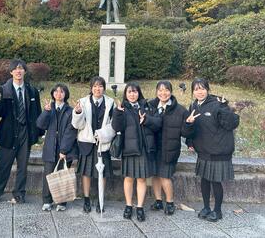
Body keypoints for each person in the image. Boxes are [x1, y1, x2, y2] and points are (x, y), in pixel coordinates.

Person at [0, 59, 43, 204]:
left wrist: (39, 132)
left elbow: (37, 112)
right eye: (15, 69)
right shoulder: (4, 90)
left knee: (22, 165)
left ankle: (19, 193)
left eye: (21, 68)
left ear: (24, 71)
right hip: (8, 132)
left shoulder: (32, 90)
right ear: (11, 72)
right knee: (3, 164)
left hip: (25, 132)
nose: (18, 71)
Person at [186, 78, 239, 222]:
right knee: (204, 180)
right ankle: (206, 207)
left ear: (207, 89)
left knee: (216, 181)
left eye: (202, 88)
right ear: (193, 92)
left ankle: (217, 210)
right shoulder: (193, 106)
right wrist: (189, 140)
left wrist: (224, 108)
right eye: (196, 89)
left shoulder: (217, 104)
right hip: (203, 150)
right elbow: (191, 128)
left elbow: (232, 123)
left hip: (218, 150)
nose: (199, 91)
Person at [111, 82, 161, 222]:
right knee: (128, 178)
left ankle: (139, 206)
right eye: (129, 92)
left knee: (142, 179)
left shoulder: (148, 106)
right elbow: (116, 127)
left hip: (144, 149)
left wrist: (146, 120)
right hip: (129, 148)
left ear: (139, 93)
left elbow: (158, 124)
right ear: (125, 95)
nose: (132, 94)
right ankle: (128, 205)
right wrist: (117, 113)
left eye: (135, 92)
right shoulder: (122, 108)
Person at [148, 80, 193, 215]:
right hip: (153, 147)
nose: (163, 93)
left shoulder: (180, 110)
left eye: (166, 90)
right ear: (156, 92)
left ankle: (170, 202)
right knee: (155, 175)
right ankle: (158, 201)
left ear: (171, 92)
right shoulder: (150, 106)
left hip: (170, 148)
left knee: (165, 176)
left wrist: (189, 124)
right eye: (160, 90)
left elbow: (185, 133)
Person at [72, 76, 115, 213]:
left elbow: (113, 124)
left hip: (103, 142)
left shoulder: (110, 102)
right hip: (87, 142)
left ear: (104, 88)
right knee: (86, 173)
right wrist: (78, 113)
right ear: (91, 88)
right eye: (95, 86)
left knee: (102, 173)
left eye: (100, 86)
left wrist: (102, 134)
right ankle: (86, 199)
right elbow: (78, 125)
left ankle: (100, 199)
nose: (98, 89)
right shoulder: (83, 102)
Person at [36, 83, 78, 212]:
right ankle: (47, 201)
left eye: (61, 92)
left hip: (65, 147)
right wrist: (46, 112)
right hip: (50, 146)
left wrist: (64, 150)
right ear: (53, 94)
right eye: (56, 92)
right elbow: (40, 125)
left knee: (63, 175)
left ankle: (62, 201)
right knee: (48, 174)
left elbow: (71, 131)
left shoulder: (70, 111)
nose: (58, 94)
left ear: (66, 95)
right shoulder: (50, 108)